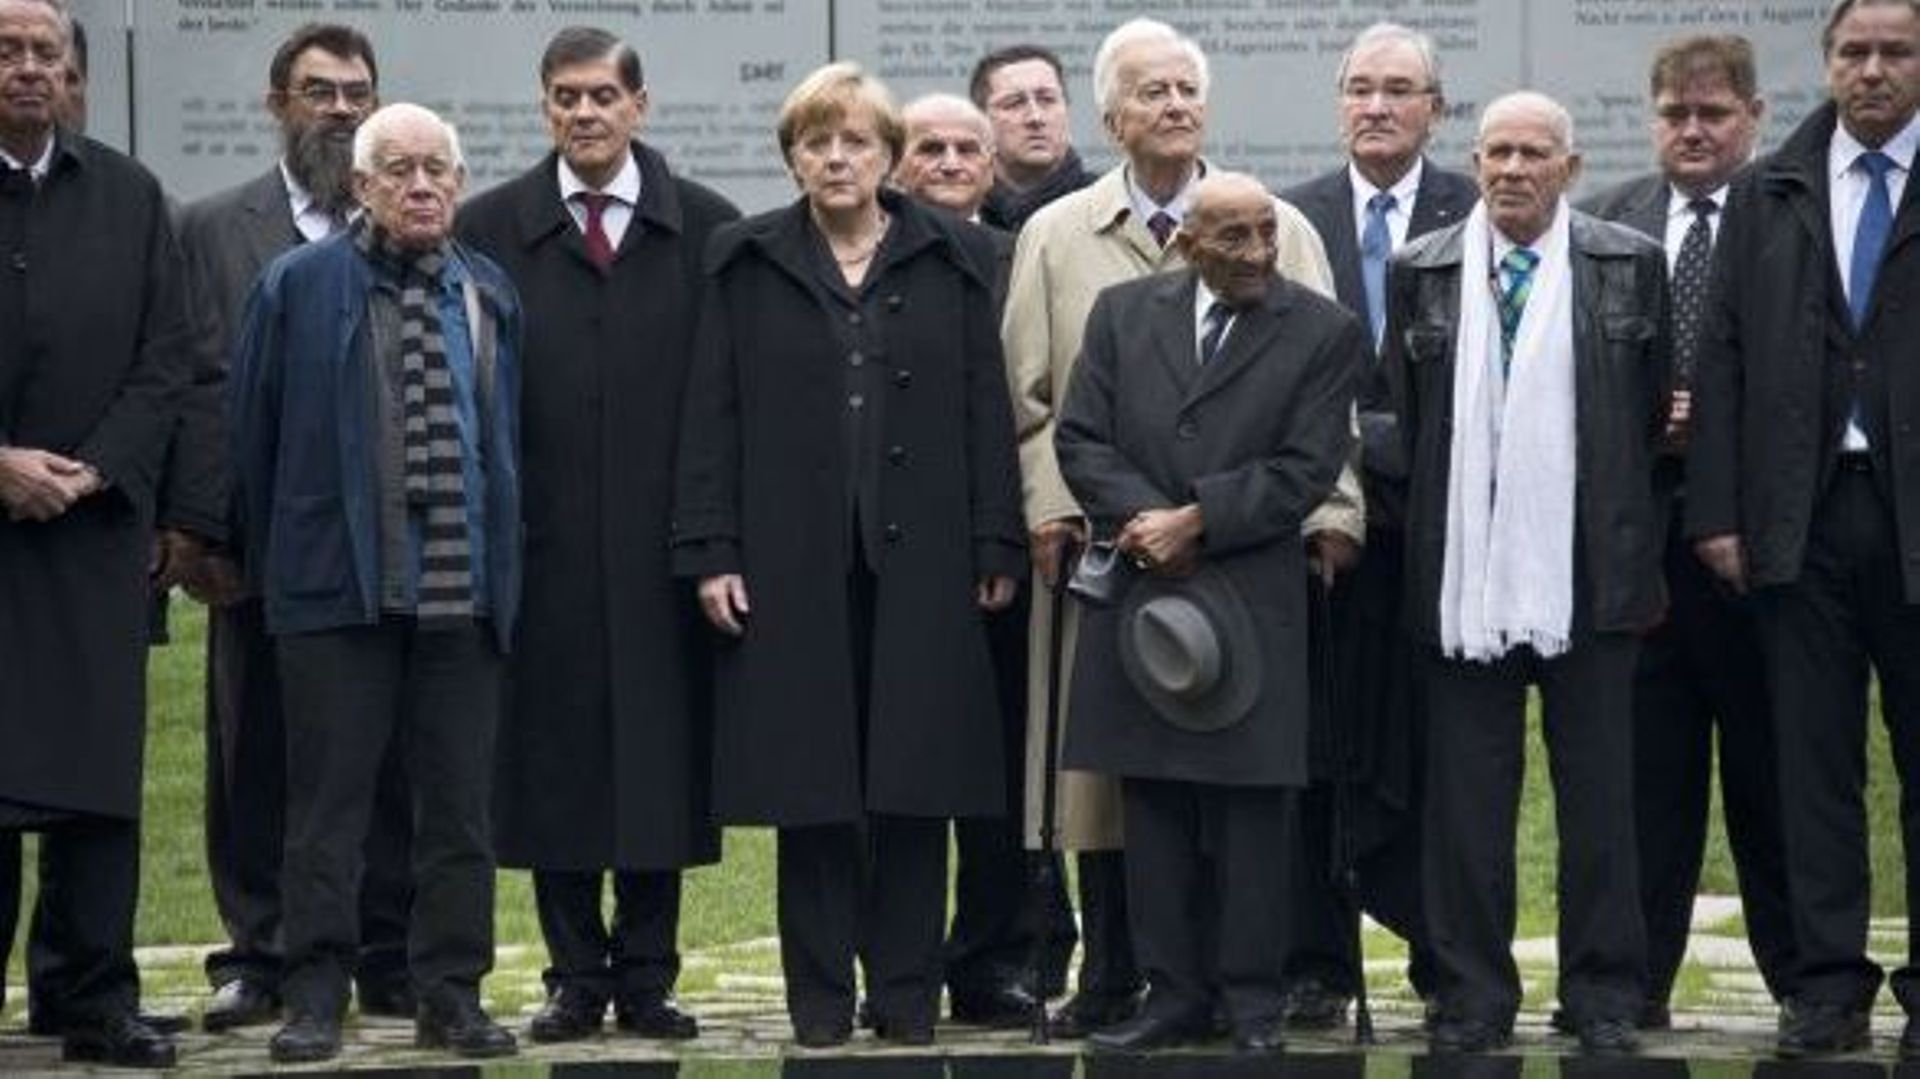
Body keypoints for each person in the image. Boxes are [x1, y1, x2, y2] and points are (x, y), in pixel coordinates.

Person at [1002, 15, 1357, 1039]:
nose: (1174, 107)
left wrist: (1205, 517)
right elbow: (1068, 423)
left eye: (1186, 90)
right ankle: (1169, 988)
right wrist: (1132, 518)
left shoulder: (1309, 302)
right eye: (1150, 92)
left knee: (1250, 808)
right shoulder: (1107, 289)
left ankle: (1251, 996)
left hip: (1246, 576)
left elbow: (1311, 449)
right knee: (1145, 798)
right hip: (1133, 575)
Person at [671, 61, 1025, 1049]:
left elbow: (983, 408)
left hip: (931, 562)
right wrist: (711, 550)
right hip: (788, 565)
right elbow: (712, 411)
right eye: (816, 142)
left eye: (856, 141)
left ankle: (908, 993)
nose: (836, 157)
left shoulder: (959, 257)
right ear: (792, 156)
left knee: (916, 780)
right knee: (812, 787)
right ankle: (819, 999)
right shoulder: (741, 259)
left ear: (890, 156)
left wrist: (996, 533)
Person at [457, 25, 739, 1045]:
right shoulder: (487, 228)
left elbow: (725, 401)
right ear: (544, 110)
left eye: (601, 96)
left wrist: (710, 538)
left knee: (661, 766)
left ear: (639, 106)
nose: (584, 113)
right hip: (541, 549)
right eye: (565, 97)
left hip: (666, 551)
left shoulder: (706, 229)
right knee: (554, 763)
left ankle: (650, 975)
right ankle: (575, 976)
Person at [229, 102, 522, 1064]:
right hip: (336, 596)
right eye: (397, 169)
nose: (422, 185)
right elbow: (255, 442)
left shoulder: (487, 291)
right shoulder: (299, 286)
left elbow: (506, 445)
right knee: (326, 811)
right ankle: (314, 993)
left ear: (460, 183)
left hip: (462, 600)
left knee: (459, 814)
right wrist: (286, 570)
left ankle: (452, 992)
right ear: (360, 186)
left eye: (439, 168)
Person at [1385, 90, 1669, 1055]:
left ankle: (1602, 994)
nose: (1511, 169)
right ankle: (1469, 992)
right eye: (1496, 152)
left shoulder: (1630, 263)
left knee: (1600, 799)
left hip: (1590, 575)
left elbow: (1639, 426)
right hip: (1462, 577)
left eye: (1533, 153)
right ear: (1475, 160)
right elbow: (1409, 422)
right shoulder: (1420, 271)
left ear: (1570, 168)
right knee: (1465, 802)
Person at [169, 22, 420, 1034]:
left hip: (390, 545)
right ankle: (259, 950)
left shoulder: (410, 219)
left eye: (358, 91)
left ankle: (387, 950)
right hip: (260, 543)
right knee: (256, 748)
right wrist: (197, 531)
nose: (342, 109)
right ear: (279, 104)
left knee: (391, 753)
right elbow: (193, 382)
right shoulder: (214, 228)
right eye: (320, 91)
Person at [1688, 0, 1920, 1058]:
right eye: (1854, 51)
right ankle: (1826, 983)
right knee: (1811, 761)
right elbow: (1724, 356)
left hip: (1914, 509)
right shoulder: (1771, 187)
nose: (1872, 70)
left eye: (1895, 52)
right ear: (1825, 62)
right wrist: (1721, 512)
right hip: (1804, 514)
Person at [1579, 32, 1796, 1031]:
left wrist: (1715, 417)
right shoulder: (1607, 221)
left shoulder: (1788, 216)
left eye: (1714, 113)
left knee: (1771, 773)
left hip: (1755, 546)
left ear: (1751, 116)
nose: (1694, 130)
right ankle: (1636, 981)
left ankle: (1804, 982)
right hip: (1642, 552)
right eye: (1675, 113)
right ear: (1651, 117)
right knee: (1644, 782)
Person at [1275, 20, 1478, 1026]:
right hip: (1324, 531)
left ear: (1436, 106)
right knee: (1318, 746)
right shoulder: (1291, 216)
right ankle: (1317, 958)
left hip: (1448, 537)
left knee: (1442, 751)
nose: (1378, 106)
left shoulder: (1480, 210)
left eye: (1401, 89)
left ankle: (1447, 956)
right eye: (1361, 88)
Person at [0, 0, 190, 1066]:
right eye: (8, 52)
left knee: (94, 780)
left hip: (88, 533)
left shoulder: (128, 194)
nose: (29, 69)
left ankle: (90, 994)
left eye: (45, 54)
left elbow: (168, 356)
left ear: (73, 74)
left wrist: (89, 470)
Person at [970, 44, 1092, 233]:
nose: (1035, 117)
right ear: (980, 120)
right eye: (1014, 103)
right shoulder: (962, 212)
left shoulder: (1109, 207)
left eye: (1047, 100)